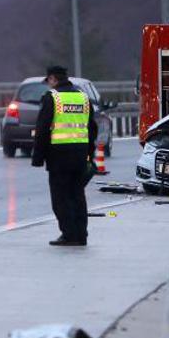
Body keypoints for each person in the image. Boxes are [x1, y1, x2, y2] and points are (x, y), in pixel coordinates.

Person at [31, 65, 97, 246]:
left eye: (49, 81)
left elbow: (42, 129)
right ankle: (81, 235)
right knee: (77, 195)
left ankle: (69, 234)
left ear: (53, 79)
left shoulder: (52, 97)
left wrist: (38, 157)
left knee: (61, 197)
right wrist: (90, 154)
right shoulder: (83, 97)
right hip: (80, 154)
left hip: (58, 156)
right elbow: (92, 128)